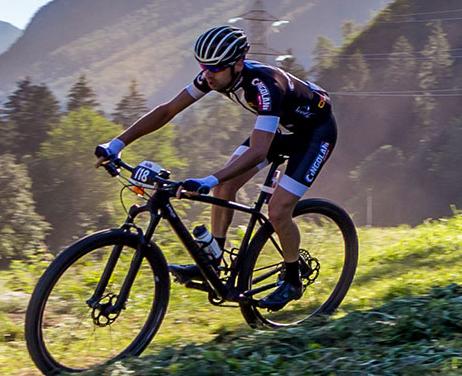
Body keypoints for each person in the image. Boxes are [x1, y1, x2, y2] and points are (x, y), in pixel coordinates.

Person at [94, 25, 337, 310]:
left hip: (314, 135)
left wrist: (207, 179)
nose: (208, 74)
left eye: (216, 68)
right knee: (225, 186)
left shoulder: (264, 86)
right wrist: (116, 144)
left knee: (279, 210)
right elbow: (167, 111)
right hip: (279, 131)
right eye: (203, 66)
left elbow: (259, 150)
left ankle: (293, 278)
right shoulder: (213, 76)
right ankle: (214, 259)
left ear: (237, 63)